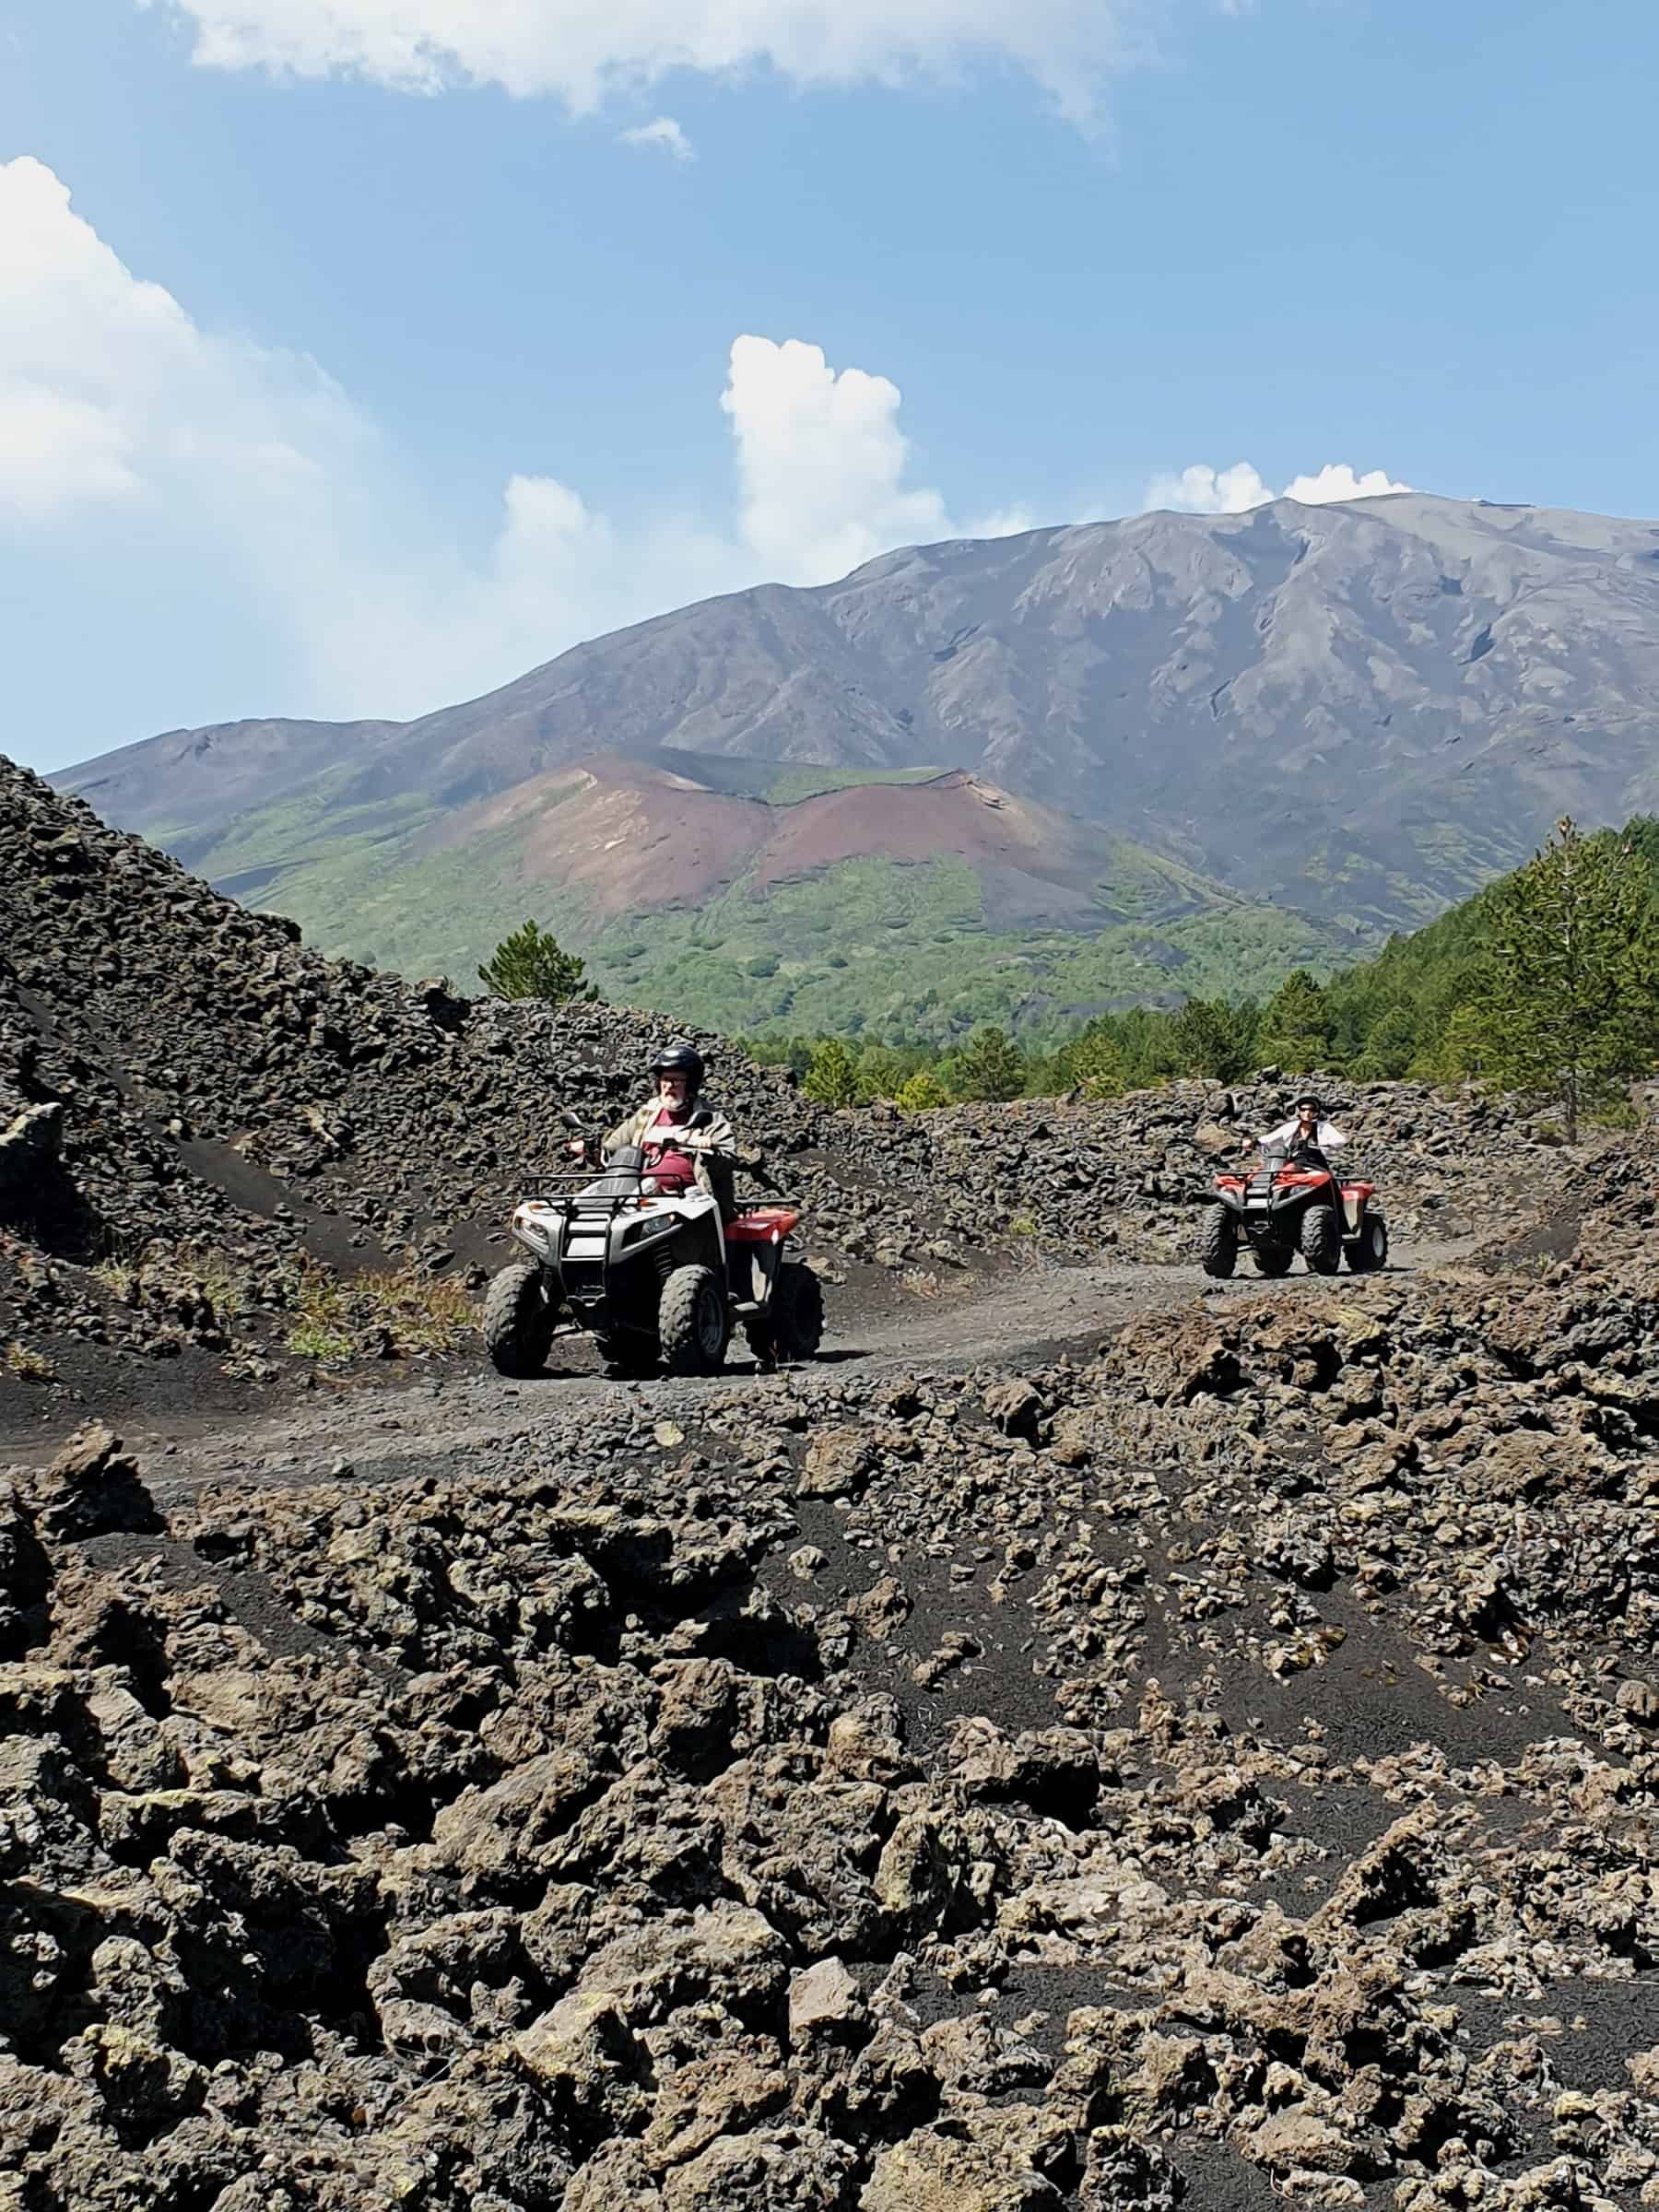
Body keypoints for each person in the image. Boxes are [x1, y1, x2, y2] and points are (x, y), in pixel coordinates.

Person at [594, 1041, 738, 1208]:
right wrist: (590, 1147)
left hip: (691, 1204)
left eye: (676, 1081)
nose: (669, 1086)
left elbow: (729, 1160)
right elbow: (613, 1145)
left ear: (690, 1084)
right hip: (640, 1197)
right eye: (665, 1080)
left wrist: (709, 1149)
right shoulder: (647, 1113)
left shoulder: (710, 1117)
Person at [1248, 1093, 1347, 1157]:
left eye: (1311, 1110)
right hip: (1290, 1162)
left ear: (1316, 1112)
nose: (1307, 1112)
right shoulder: (1291, 1127)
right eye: (1303, 1109)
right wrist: (1253, 1142)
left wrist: (1322, 1148)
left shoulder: (1325, 1127)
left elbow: (1340, 1141)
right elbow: (1269, 1138)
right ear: (1299, 1111)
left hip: (1315, 1165)